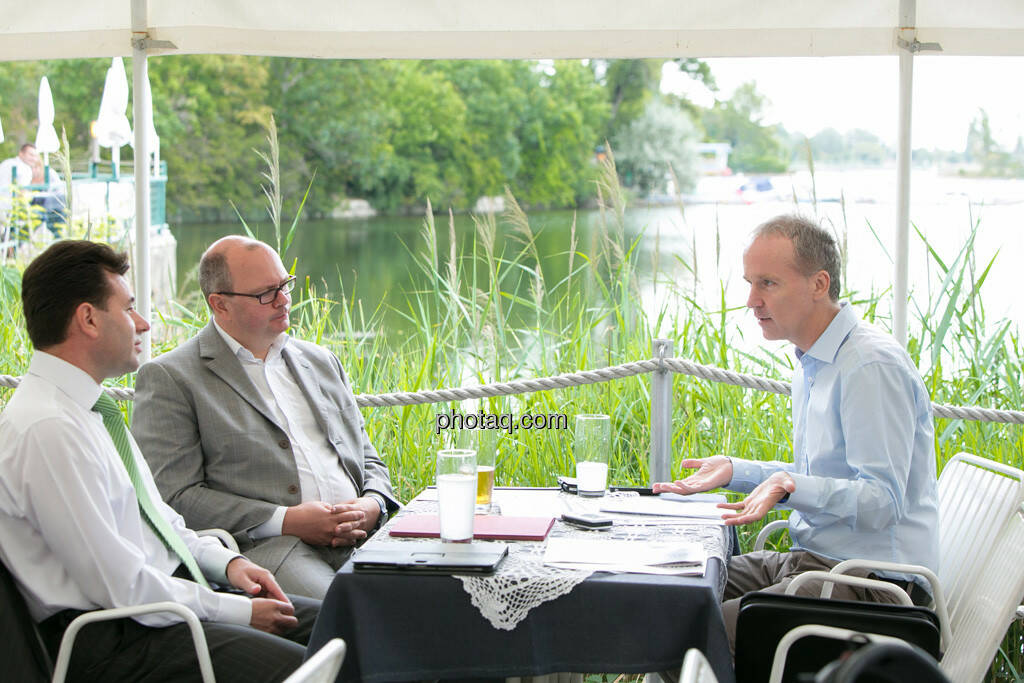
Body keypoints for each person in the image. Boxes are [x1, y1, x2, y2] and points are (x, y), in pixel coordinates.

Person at [0, 240, 321, 682]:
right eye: (129, 308)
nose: (144, 323)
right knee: (315, 667)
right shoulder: (48, 429)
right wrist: (237, 611)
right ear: (88, 319)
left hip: (163, 604)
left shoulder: (88, 410)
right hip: (116, 639)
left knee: (339, 625)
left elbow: (159, 525)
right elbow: (121, 586)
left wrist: (228, 565)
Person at [654, 214, 938, 649]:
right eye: (749, 282)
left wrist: (788, 487)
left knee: (685, 635)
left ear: (818, 284)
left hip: (873, 587)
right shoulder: (814, 361)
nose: (751, 300)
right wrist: (735, 470)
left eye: (767, 283)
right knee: (671, 591)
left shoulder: (868, 366)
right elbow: (824, 476)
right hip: (814, 563)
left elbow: (883, 501)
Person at [132, 236, 399, 599]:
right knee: (350, 614)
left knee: (436, 600)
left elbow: (367, 458)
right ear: (219, 304)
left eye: (285, 285)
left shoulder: (320, 361)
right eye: (265, 293)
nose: (283, 299)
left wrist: (373, 504)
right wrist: (286, 520)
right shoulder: (171, 377)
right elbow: (174, 498)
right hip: (270, 550)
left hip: (366, 535)